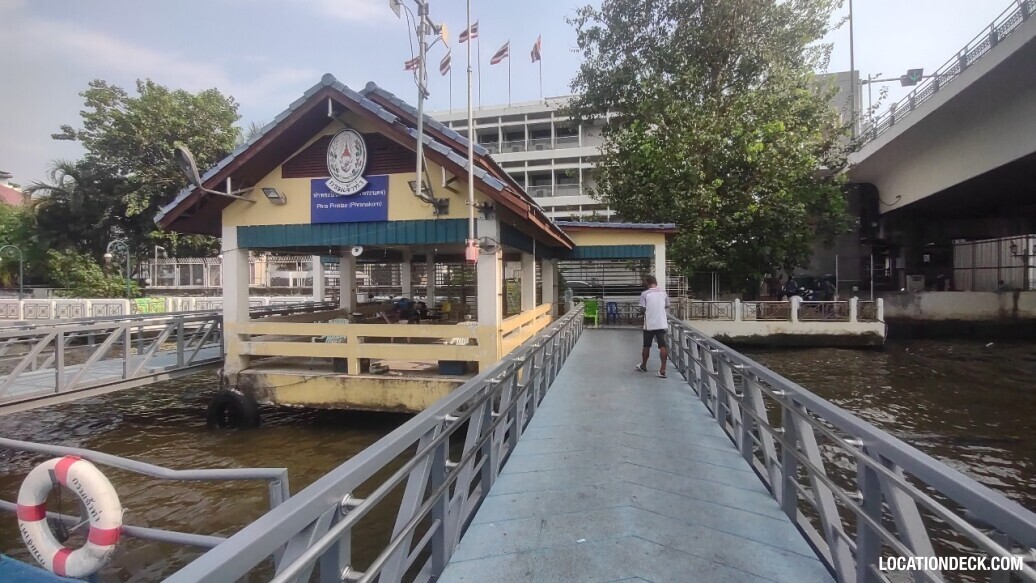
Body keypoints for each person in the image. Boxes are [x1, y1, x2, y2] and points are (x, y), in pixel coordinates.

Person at [635, 275, 670, 378]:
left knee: (646, 345)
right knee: (662, 345)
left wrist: (644, 312)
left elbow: (642, 309)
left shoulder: (645, 294)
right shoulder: (663, 293)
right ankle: (663, 369)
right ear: (656, 282)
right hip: (661, 323)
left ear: (647, 283)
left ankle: (644, 365)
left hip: (649, 324)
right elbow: (667, 305)